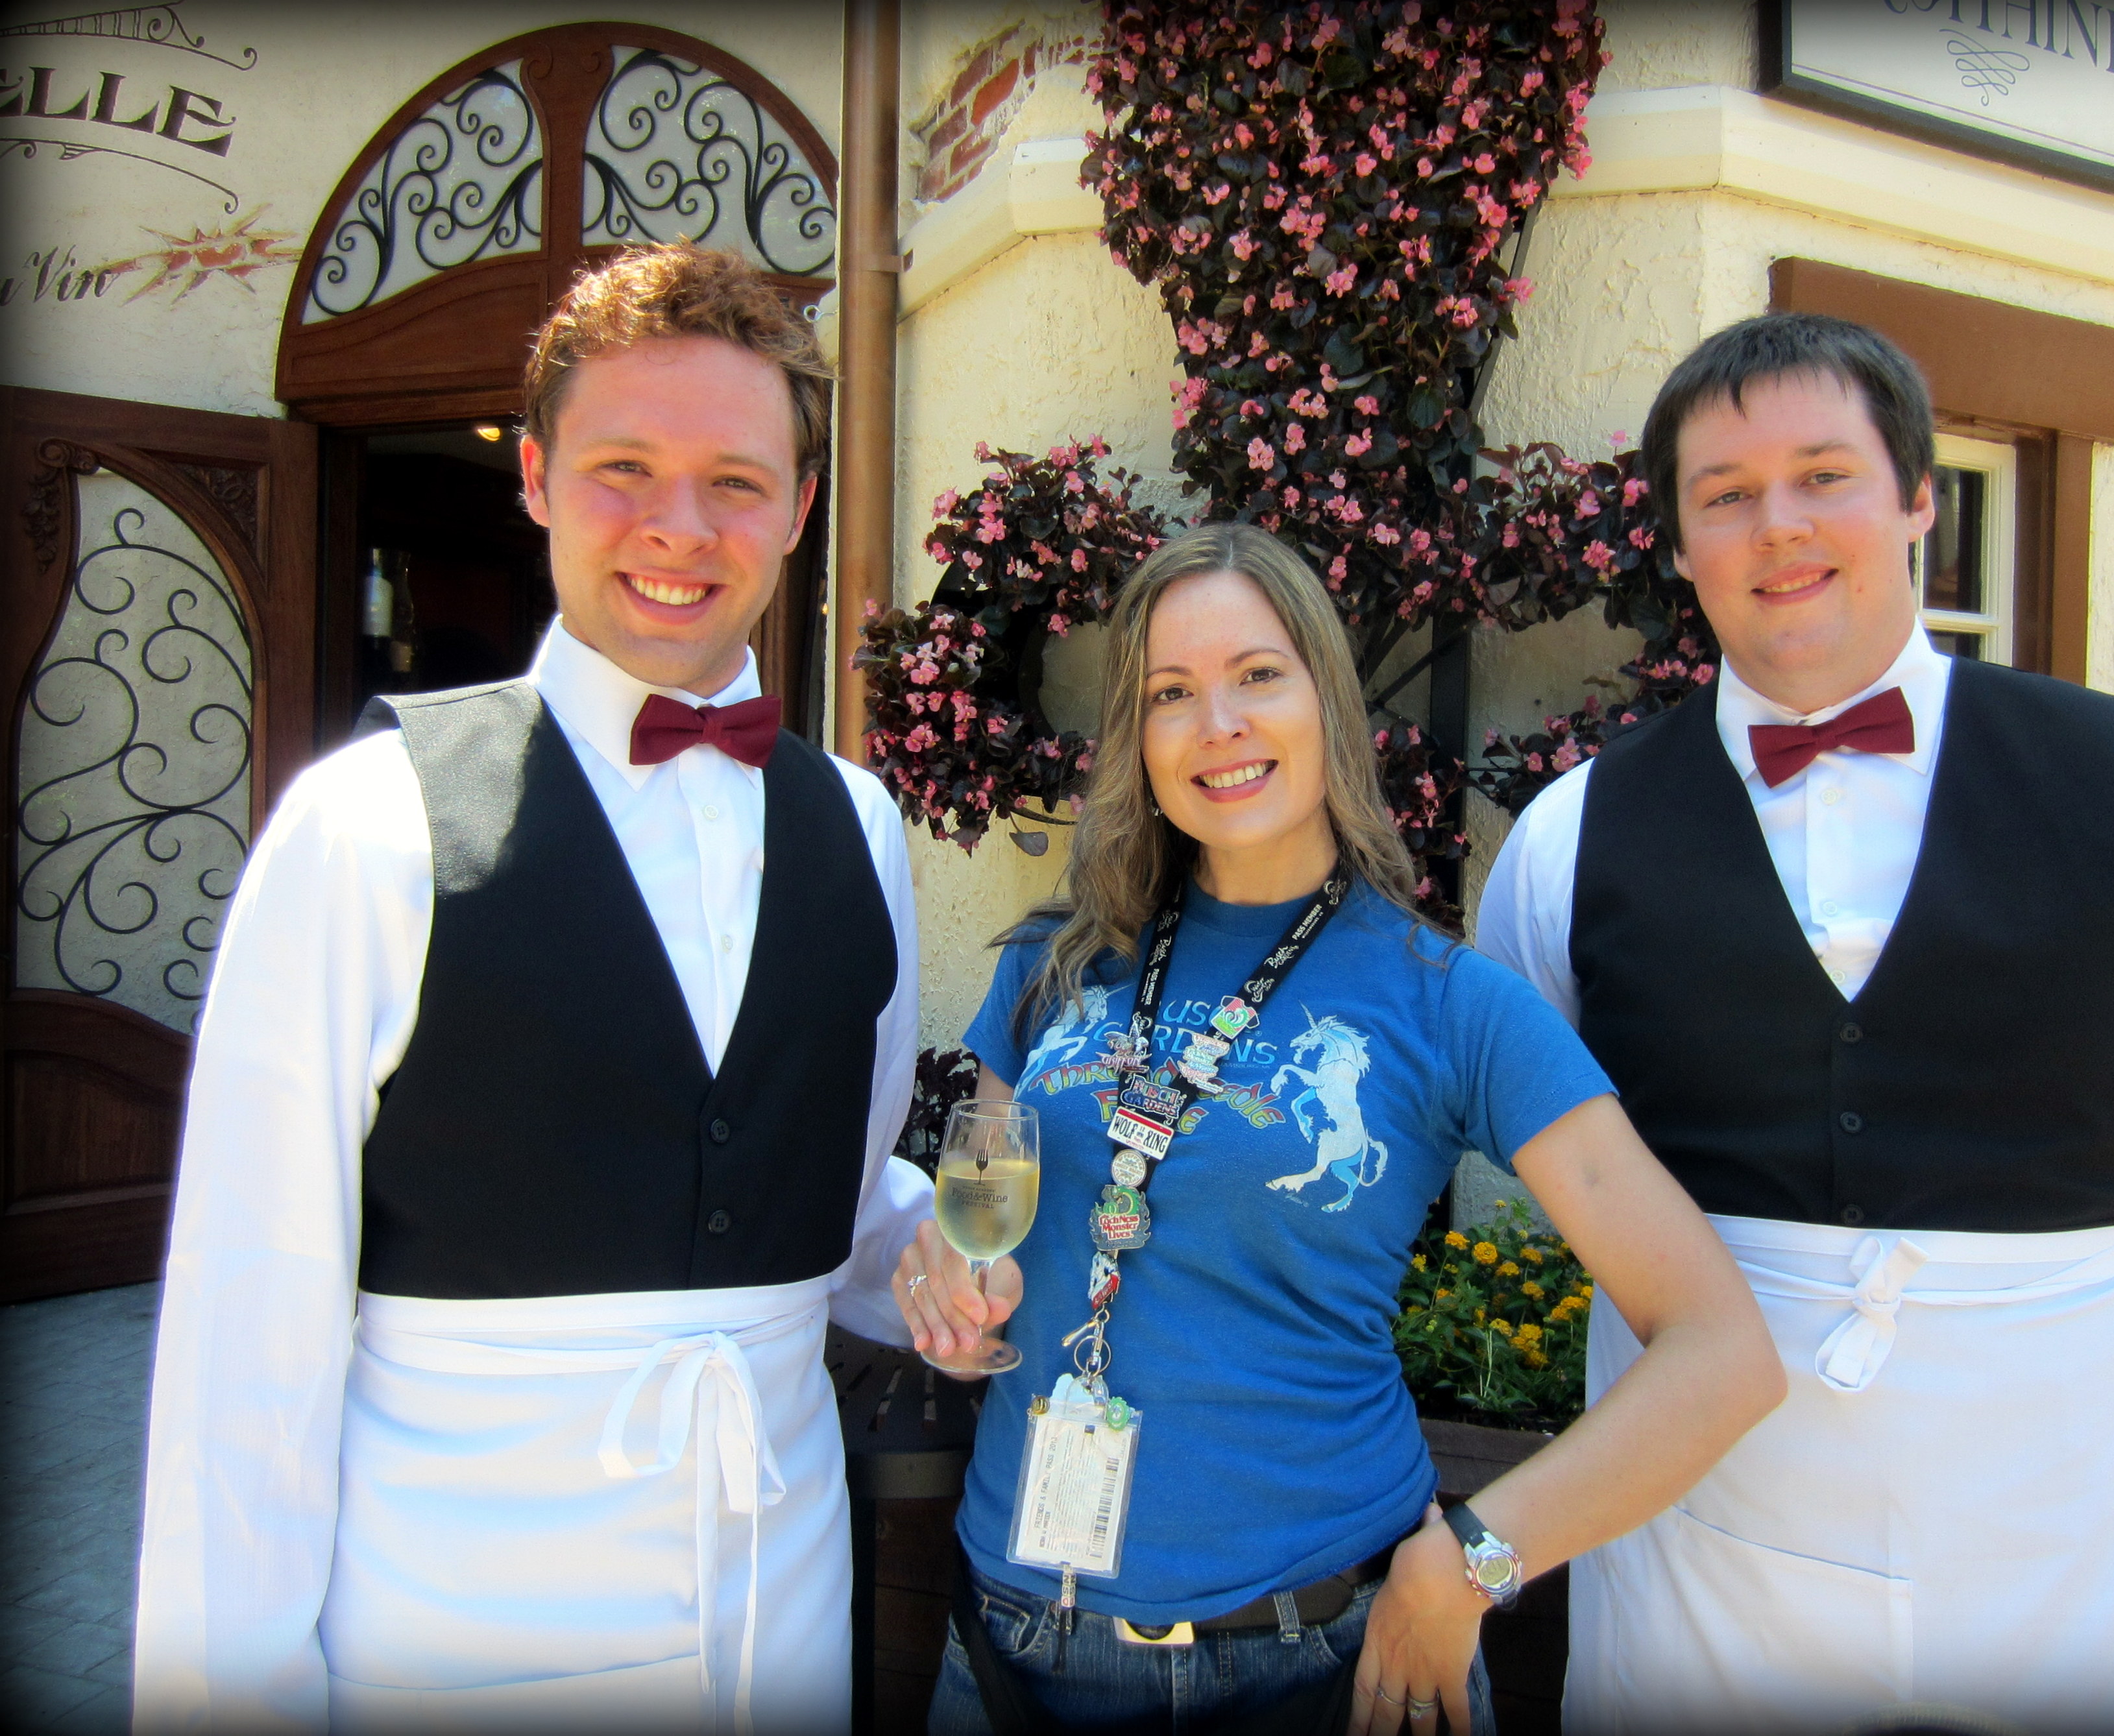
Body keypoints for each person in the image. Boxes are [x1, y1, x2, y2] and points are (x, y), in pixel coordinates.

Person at [1478, 313, 2114, 1733]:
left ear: (1915, 502)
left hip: (2072, 1519)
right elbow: (1551, 1154)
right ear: (1679, 545)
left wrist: (2028, 1299)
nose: (1777, 525)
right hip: (1712, 1538)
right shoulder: (1565, 842)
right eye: (1724, 494)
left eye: (1822, 475)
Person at [132, 245, 945, 1733]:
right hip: (455, 1636)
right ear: (535, 478)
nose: (678, 526)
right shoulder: (364, 825)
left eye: (735, 481)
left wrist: (948, 1259)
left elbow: (830, 1204)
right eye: (624, 468)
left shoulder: (863, 829)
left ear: (799, 506)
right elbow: (245, 1344)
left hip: (777, 1612)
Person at [895, 523, 1782, 1735]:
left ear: (1326, 696)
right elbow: (975, 1220)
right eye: (1169, 693)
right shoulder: (1055, 965)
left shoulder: (1447, 1004)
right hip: (1009, 1654)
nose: (1217, 723)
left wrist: (1474, 1563)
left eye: (1257, 674)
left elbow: (1722, 1353)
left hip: (1326, 1663)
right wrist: (949, 1289)